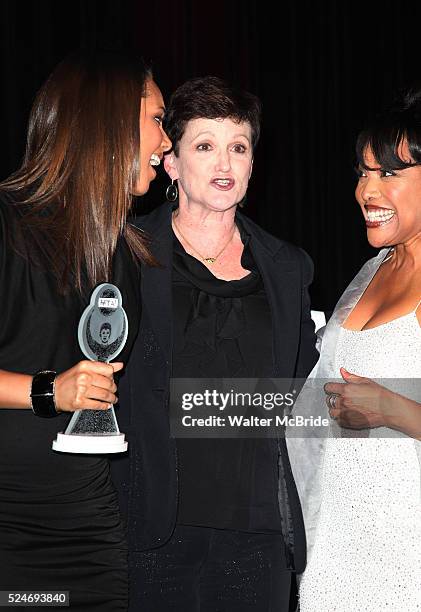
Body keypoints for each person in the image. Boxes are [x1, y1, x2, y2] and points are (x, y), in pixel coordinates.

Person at [114, 76, 318, 611]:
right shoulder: (126, 255)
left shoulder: (288, 267)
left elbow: (301, 395)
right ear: (173, 163)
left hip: (258, 536)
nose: (224, 164)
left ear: (252, 164)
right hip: (150, 529)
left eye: (238, 147)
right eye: (204, 146)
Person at [0, 50, 171, 611]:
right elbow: (62, 385)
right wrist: (47, 391)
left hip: (89, 526)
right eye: (157, 121)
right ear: (109, 120)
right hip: (10, 530)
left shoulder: (123, 253)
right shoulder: (8, 223)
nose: (165, 142)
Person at [288, 89, 421, 610]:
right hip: (335, 543)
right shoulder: (373, 269)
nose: (367, 190)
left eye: (388, 173)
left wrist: (393, 408)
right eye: (362, 172)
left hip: (406, 555)